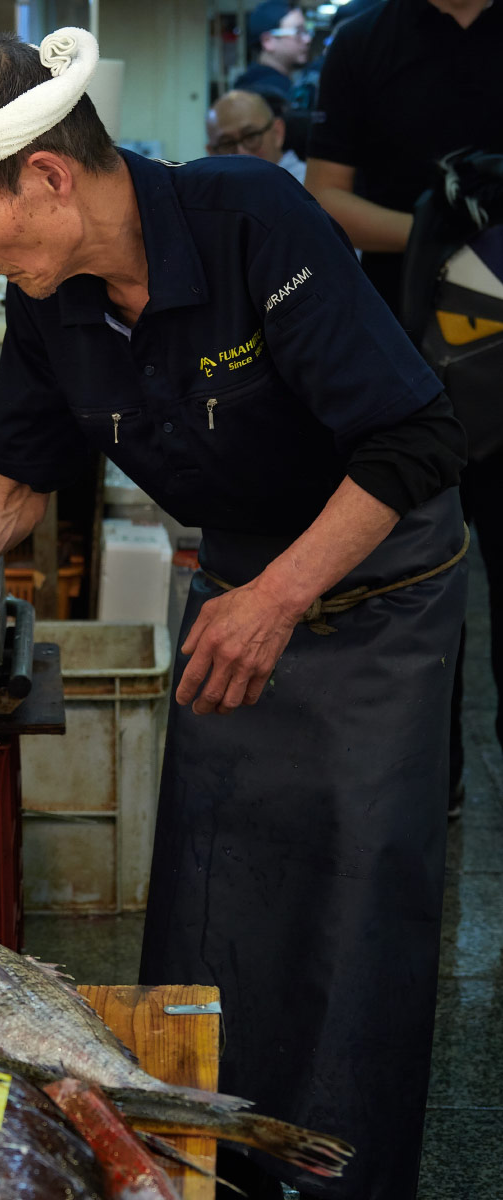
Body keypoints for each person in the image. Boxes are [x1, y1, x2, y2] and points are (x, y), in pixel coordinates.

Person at [0, 26, 467, 1200]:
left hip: (373, 604)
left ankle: (334, 1177)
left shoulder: (251, 219)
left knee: (350, 924)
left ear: (47, 175)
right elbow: (11, 495)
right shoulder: (54, 298)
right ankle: (197, 1164)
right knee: (208, 902)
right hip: (239, 595)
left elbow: (415, 441)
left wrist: (284, 597)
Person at [305, 0, 503, 819]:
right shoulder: (362, 40)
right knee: (418, 577)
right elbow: (326, 196)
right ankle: (433, 783)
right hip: (403, 356)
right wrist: (450, 243)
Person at [205, 88, 306, 182]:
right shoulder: (207, 194)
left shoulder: (309, 187)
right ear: (211, 153)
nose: (241, 154)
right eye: (227, 144)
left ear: (277, 132)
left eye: (250, 136)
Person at [233, 0, 313, 101]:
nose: (307, 39)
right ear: (268, 41)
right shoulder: (271, 94)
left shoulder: (247, 84)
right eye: (298, 32)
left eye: (306, 31)